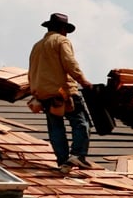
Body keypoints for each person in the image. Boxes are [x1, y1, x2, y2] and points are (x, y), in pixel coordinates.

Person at [28, 13, 93, 173]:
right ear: (63, 29)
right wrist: (83, 81)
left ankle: (63, 161)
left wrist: (36, 92)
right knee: (81, 123)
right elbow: (69, 63)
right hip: (63, 92)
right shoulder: (61, 41)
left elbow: (31, 72)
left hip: (44, 95)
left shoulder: (37, 46)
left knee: (56, 128)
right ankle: (77, 155)